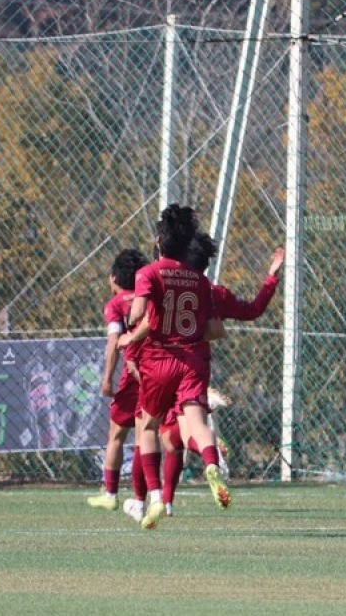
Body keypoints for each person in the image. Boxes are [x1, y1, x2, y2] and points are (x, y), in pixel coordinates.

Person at [150, 235, 284, 519]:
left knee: (167, 436)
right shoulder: (213, 291)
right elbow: (252, 310)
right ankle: (205, 462)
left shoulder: (165, 283)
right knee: (182, 435)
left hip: (164, 364)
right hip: (196, 366)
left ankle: (161, 498)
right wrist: (271, 278)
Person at [119, 205, 226, 530]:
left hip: (160, 359)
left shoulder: (148, 273)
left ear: (159, 242)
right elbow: (212, 328)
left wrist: (130, 326)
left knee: (147, 427)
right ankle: (212, 463)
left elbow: (138, 315)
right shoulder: (199, 280)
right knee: (197, 423)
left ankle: (154, 496)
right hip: (192, 360)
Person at [86, 249, 150, 511]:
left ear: (114, 277)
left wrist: (107, 379)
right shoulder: (148, 298)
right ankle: (142, 497)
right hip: (156, 370)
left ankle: (110, 494)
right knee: (146, 434)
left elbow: (114, 342)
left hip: (132, 375)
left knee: (116, 435)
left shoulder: (116, 305)